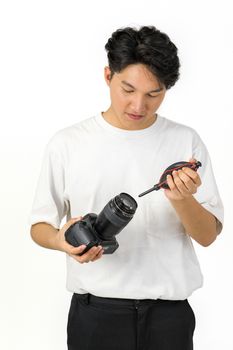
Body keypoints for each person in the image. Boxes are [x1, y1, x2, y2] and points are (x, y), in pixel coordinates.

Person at [29, 25, 224, 350]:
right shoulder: (68, 144)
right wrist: (61, 240)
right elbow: (39, 226)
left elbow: (207, 235)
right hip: (95, 316)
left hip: (169, 319)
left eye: (154, 94)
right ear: (108, 76)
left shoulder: (184, 141)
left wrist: (181, 198)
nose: (138, 105)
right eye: (128, 89)